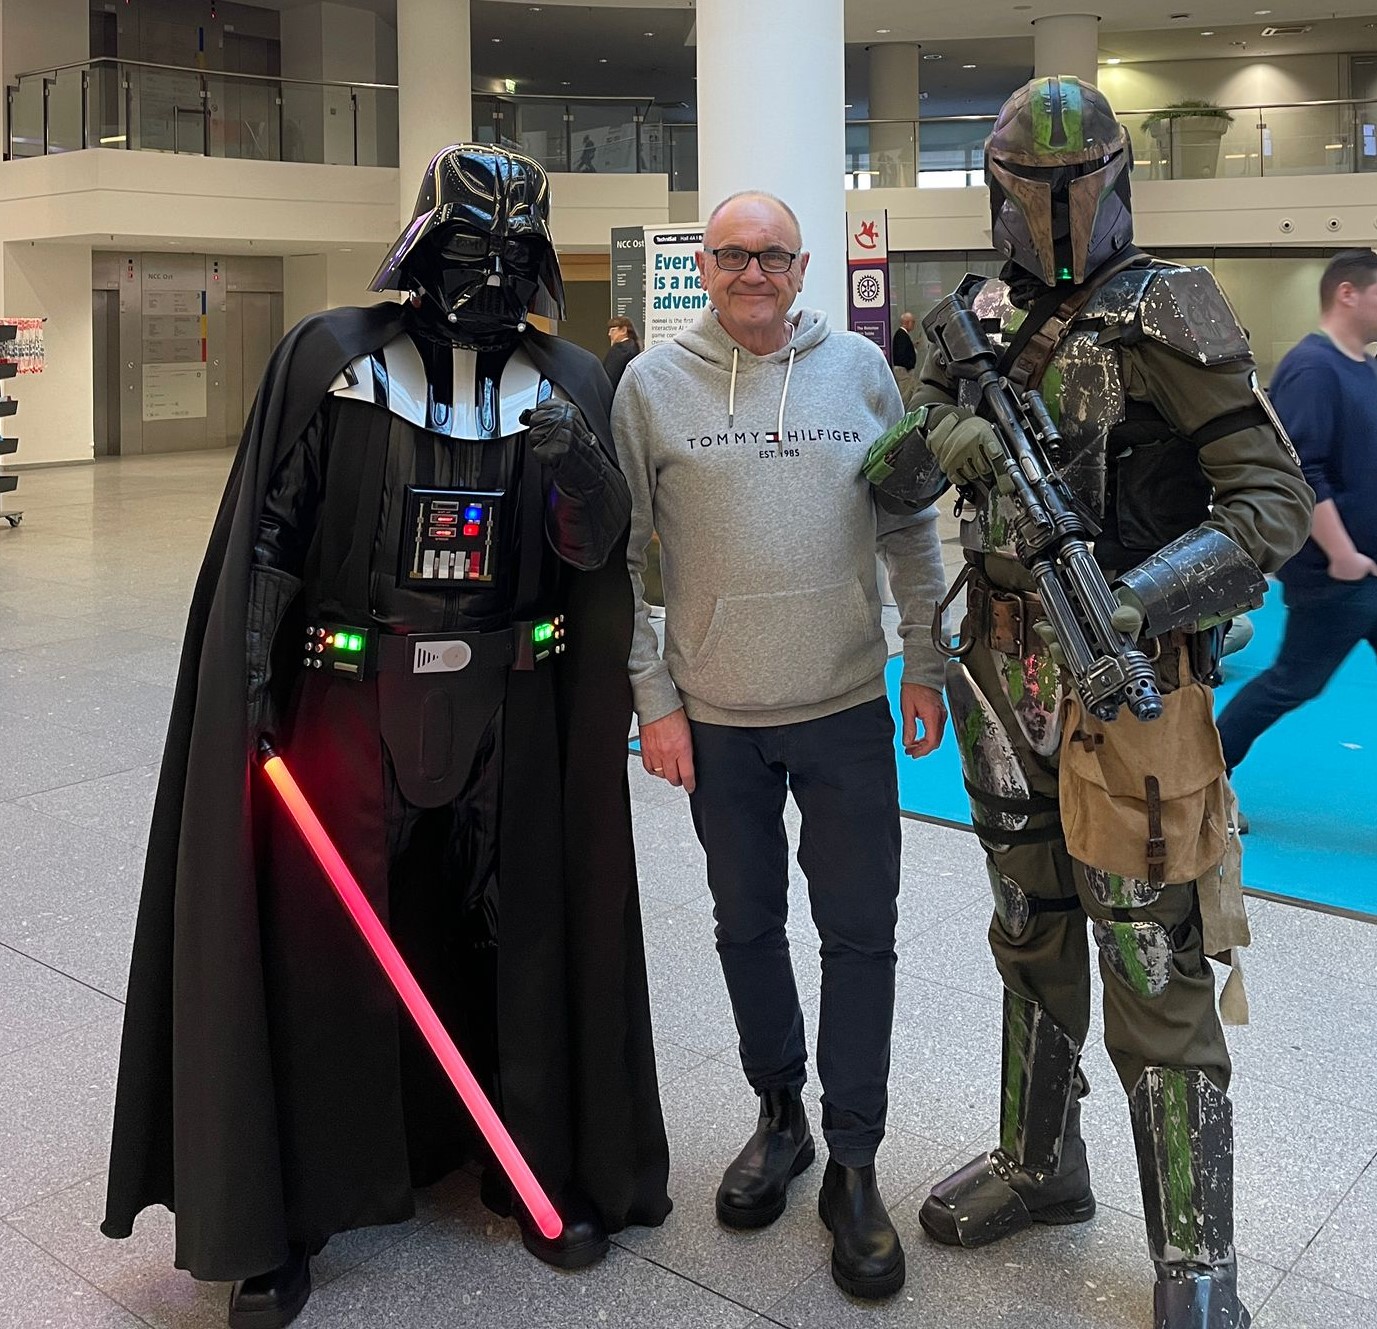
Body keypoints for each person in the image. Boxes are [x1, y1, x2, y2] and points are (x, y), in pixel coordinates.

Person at [102, 145, 672, 1329]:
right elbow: (273, 531)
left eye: (513, 257)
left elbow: (598, 558)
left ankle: (530, 1166)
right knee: (320, 948)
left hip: (515, 702)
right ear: (421, 249)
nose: (488, 277)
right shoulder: (332, 360)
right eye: (467, 251)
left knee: (518, 936)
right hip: (347, 702)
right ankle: (291, 1212)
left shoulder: (569, 378)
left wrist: (580, 481)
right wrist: (247, 678)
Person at [879, 77, 1311, 1328]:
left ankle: (1196, 1257)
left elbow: (1270, 505)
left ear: (1116, 179)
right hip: (999, 669)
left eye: (1081, 184)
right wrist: (942, 439)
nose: (1061, 210)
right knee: (1029, 923)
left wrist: (1138, 601)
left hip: (1128, 681)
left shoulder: (1167, 306)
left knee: (1154, 948)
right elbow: (889, 478)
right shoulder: (967, 316)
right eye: (1035, 186)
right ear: (998, 189)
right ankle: (1039, 1161)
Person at [611, 190, 949, 1300]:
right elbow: (618, 558)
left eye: (774, 256)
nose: (753, 272)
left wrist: (928, 664)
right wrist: (654, 695)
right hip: (717, 721)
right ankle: (780, 1114)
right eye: (732, 255)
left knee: (861, 936)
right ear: (703, 268)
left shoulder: (859, 369)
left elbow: (907, 522)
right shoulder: (651, 387)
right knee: (746, 925)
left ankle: (855, 1162)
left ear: (803, 269)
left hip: (848, 704)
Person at [1216, 248, 1377, 776]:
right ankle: (1208, 773)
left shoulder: (1365, 369)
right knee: (1292, 681)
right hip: (1337, 574)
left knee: (1292, 680)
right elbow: (1303, 472)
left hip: (1367, 565)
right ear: (1347, 293)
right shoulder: (1312, 369)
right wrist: (1343, 554)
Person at [603, 315, 642, 392]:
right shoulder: (635, 348)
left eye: (613, 330)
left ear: (623, 330)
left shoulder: (619, 350)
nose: (609, 334)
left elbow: (609, 378)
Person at [891, 310, 917, 376]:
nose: (914, 324)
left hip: (904, 369)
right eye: (913, 322)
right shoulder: (901, 335)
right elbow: (901, 353)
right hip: (904, 371)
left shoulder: (902, 334)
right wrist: (909, 365)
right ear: (906, 322)